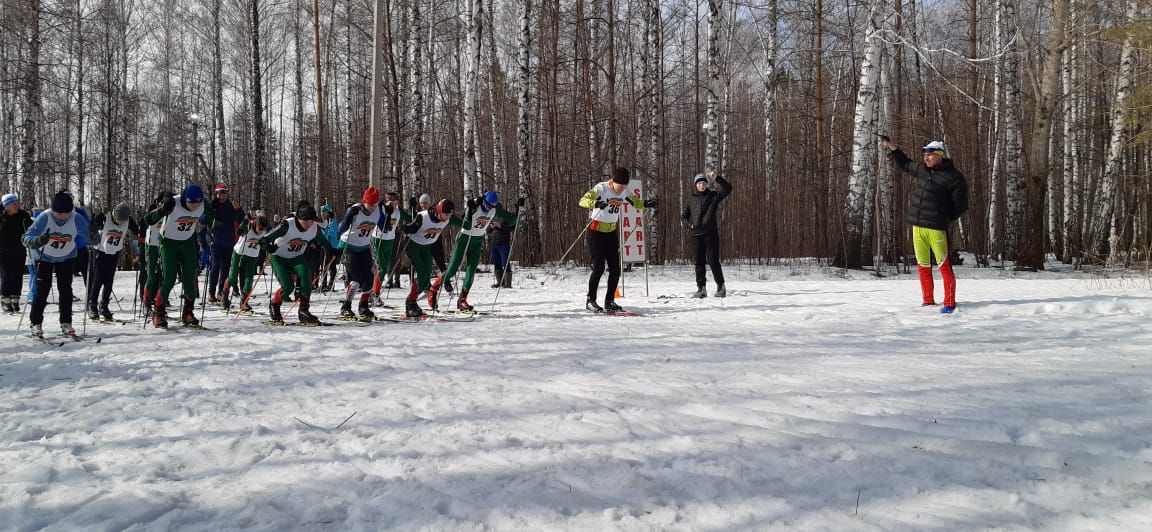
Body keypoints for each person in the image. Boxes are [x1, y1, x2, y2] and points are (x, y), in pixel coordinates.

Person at [882, 138, 969, 313]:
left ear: (939, 156)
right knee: (923, 266)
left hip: (937, 228)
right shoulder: (923, 170)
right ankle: (928, 300)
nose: (926, 158)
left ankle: (949, 303)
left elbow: (961, 205)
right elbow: (906, 164)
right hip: (917, 226)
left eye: (930, 155)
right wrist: (893, 148)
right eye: (925, 155)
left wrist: (943, 216)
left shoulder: (954, 177)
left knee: (944, 266)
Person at [429, 191, 518, 312]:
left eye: (493, 205)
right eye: (489, 205)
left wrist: (518, 210)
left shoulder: (495, 207)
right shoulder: (476, 205)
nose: (490, 208)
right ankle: (433, 290)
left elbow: (512, 220)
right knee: (452, 269)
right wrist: (470, 210)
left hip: (477, 240)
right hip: (464, 239)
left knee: (471, 272)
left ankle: (462, 300)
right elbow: (465, 221)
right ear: (485, 201)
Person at [578, 167, 652, 313]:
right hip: (595, 231)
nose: (621, 190)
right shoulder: (601, 188)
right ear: (613, 182)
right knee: (598, 266)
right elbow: (582, 201)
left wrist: (647, 204)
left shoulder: (625, 190)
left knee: (615, 269)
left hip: (611, 232)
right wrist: (596, 203)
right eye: (619, 187)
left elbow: (635, 203)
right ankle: (590, 300)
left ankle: (609, 301)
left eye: (624, 187)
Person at [144, 184, 215, 328]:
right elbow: (148, 219)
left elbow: (212, 217)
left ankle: (188, 312)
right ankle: (158, 313)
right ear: (184, 199)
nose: (195, 206)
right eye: (191, 203)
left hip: (187, 242)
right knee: (169, 278)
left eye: (197, 203)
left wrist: (208, 223)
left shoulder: (203, 204)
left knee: (190, 277)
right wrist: (163, 210)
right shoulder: (173, 202)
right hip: (168, 243)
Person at [21, 191, 90, 337]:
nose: (63, 217)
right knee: (42, 291)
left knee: (65, 290)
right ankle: (35, 323)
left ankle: (66, 322)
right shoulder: (45, 217)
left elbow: (90, 236)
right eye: (59, 214)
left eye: (66, 213)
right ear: (53, 210)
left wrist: (94, 235)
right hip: (44, 256)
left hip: (67, 257)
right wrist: (38, 240)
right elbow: (26, 238)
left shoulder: (76, 218)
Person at [258, 203, 332, 324]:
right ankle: (275, 304)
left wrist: (333, 250)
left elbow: (323, 242)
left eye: (311, 221)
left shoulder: (314, 228)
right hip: (279, 257)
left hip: (296, 257)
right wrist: (268, 247)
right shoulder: (287, 225)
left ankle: (304, 311)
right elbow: (264, 240)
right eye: (306, 221)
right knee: (288, 287)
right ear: (299, 218)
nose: (308, 224)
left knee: (305, 274)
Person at [336, 187, 388, 320]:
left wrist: (388, 213)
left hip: (364, 247)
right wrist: (348, 216)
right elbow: (341, 229)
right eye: (369, 204)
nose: (371, 208)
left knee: (370, 277)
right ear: (363, 201)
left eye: (374, 205)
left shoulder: (378, 211)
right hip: (348, 246)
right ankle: (346, 307)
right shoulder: (355, 210)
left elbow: (385, 228)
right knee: (356, 279)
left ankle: (364, 306)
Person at [681, 167, 733, 298]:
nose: (701, 185)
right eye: (699, 183)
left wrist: (717, 178)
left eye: (703, 183)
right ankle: (701, 289)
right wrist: (690, 225)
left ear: (706, 184)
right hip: (696, 235)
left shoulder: (714, 195)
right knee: (698, 262)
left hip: (710, 234)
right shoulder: (691, 199)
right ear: (696, 185)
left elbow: (728, 189)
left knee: (713, 260)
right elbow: (683, 216)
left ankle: (721, 287)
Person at [401, 198, 455, 317]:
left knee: (426, 276)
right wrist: (408, 228)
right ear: (439, 210)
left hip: (426, 247)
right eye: (445, 214)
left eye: (449, 214)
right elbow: (410, 226)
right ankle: (410, 302)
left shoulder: (446, 220)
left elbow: (462, 222)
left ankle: (412, 302)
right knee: (422, 273)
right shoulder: (424, 216)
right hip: (413, 245)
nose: (447, 217)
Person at [87, 203, 140, 321]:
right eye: (118, 219)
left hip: (114, 252)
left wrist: (140, 233)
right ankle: (92, 306)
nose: (120, 222)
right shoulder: (106, 217)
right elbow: (92, 226)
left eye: (123, 220)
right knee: (98, 280)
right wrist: (93, 233)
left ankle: (104, 306)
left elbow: (136, 229)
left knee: (109, 281)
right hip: (101, 252)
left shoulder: (128, 220)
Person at [223, 212, 271, 313]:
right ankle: (225, 296)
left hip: (252, 255)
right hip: (239, 254)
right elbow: (239, 232)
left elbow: (269, 240)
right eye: (260, 228)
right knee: (233, 277)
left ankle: (244, 302)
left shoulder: (266, 229)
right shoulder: (249, 225)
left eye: (263, 229)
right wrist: (245, 220)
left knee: (249, 279)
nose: (261, 230)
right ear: (256, 223)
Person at [207, 183, 244, 303]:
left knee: (225, 269)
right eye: (219, 193)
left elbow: (241, 220)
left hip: (229, 242)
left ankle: (220, 292)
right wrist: (210, 210)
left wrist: (238, 210)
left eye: (224, 193)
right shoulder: (213, 205)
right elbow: (203, 220)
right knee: (215, 267)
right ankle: (211, 293)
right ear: (216, 194)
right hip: (216, 241)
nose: (221, 196)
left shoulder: (230, 206)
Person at [0, 193, 33, 313]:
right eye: (14, 204)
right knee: (6, 274)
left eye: (17, 203)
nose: (17, 205)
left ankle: (15, 299)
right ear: (7, 205)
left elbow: (31, 228)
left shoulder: (23, 215)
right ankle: (5, 299)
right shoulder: (1, 217)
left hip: (19, 249)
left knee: (18, 275)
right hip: (3, 251)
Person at [370, 192, 406, 300]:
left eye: (394, 200)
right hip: (378, 240)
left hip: (389, 241)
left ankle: (374, 292)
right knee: (382, 268)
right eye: (389, 200)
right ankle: (374, 293)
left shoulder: (398, 211)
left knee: (385, 269)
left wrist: (415, 207)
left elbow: (410, 218)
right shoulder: (381, 209)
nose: (392, 202)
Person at [486, 197, 519, 289]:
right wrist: (491, 227)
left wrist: (501, 226)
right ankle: (500, 282)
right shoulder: (491, 217)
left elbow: (512, 228)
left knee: (505, 263)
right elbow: (487, 231)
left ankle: (508, 283)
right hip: (493, 243)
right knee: (497, 263)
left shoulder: (505, 217)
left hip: (504, 243)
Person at [319, 204, 342, 292]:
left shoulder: (332, 222)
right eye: (321, 212)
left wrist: (326, 231)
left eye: (324, 212)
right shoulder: (323, 222)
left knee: (331, 266)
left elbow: (333, 233)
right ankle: (324, 284)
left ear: (328, 213)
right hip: (324, 246)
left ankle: (331, 284)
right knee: (323, 265)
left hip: (331, 247)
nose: (322, 214)